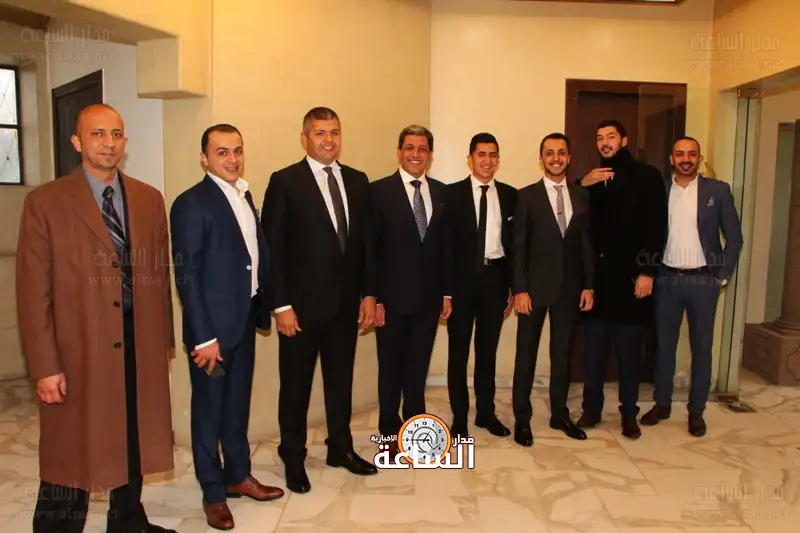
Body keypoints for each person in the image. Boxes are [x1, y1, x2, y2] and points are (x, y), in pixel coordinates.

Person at [16, 103, 176, 533]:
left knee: (132, 438)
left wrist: (161, 341)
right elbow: (32, 293)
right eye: (98, 134)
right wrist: (45, 366)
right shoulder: (45, 202)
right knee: (71, 448)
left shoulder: (148, 198)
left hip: (136, 340)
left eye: (116, 134)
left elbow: (159, 275)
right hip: (77, 346)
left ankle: (128, 522)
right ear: (77, 142)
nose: (109, 143)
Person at [170, 124, 285, 529]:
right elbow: (187, 276)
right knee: (209, 412)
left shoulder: (244, 195)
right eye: (222, 152)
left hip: (243, 322)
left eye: (237, 150)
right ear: (204, 158)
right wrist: (204, 337)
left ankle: (238, 475)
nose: (232, 159)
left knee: (237, 406)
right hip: (211, 335)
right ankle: (213, 492)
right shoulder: (191, 203)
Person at [261, 107, 377, 494]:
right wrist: (281, 305)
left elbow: (365, 245)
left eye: (334, 132)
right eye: (320, 132)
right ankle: (293, 455)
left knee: (340, 382)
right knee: (296, 386)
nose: (329, 139)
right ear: (305, 138)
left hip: (345, 306)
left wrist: (369, 294)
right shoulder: (285, 181)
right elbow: (272, 249)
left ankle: (340, 447)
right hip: (300, 309)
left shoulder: (358, 181)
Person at [641, 137, 743, 437]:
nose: (686, 159)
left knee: (702, 348)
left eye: (692, 154)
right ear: (671, 159)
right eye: (680, 154)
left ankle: (696, 410)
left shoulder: (718, 191)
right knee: (664, 346)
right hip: (667, 279)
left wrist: (721, 276)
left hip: (703, 281)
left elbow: (734, 237)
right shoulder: (659, 190)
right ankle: (662, 404)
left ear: (699, 159)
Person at [575, 120, 667, 440]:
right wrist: (582, 184)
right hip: (597, 284)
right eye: (600, 137)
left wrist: (648, 272)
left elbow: (656, 228)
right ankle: (591, 409)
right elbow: (573, 220)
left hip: (632, 282)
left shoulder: (647, 176)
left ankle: (629, 413)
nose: (605, 142)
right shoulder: (591, 179)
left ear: (624, 140)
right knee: (594, 353)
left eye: (611, 136)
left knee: (629, 355)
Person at [371, 125, 453, 457]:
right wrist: (374, 297)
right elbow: (370, 250)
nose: (415, 154)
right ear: (399, 152)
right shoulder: (378, 192)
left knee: (417, 368)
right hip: (390, 300)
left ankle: (415, 426)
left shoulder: (443, 193)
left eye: (422, 148)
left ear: (430, 155)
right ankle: (389, 431)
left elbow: (447, 249)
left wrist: (447, 293)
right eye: (409, 147)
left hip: (429, 299)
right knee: (390, 369)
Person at [511, 133, 595, 446]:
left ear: (569, 157)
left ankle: (559, 414)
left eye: (561, 152)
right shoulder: (526, 196)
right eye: (549, 153)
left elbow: (586, 244)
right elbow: (518, 247)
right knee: (526, 355)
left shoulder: (582, 196)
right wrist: (520, 289)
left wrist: (589, 285)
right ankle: (522, 418)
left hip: (569, 290)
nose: (555, 158)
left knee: (562, 355)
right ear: (541, 158)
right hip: (532, 290)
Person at [444, 133, 516, 440]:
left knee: (487, 352)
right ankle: (459, 417)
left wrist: (513, 286)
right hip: (461, 283)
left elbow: (515, 246)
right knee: (458, 352)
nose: (487, 160)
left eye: (493, 155)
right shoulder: (451, 194)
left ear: (498, 159)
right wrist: (446, 292)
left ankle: (485, 412)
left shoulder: (511, 196)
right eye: (481, 154)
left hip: (495, 280)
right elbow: (444, 248)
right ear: (470, 158)